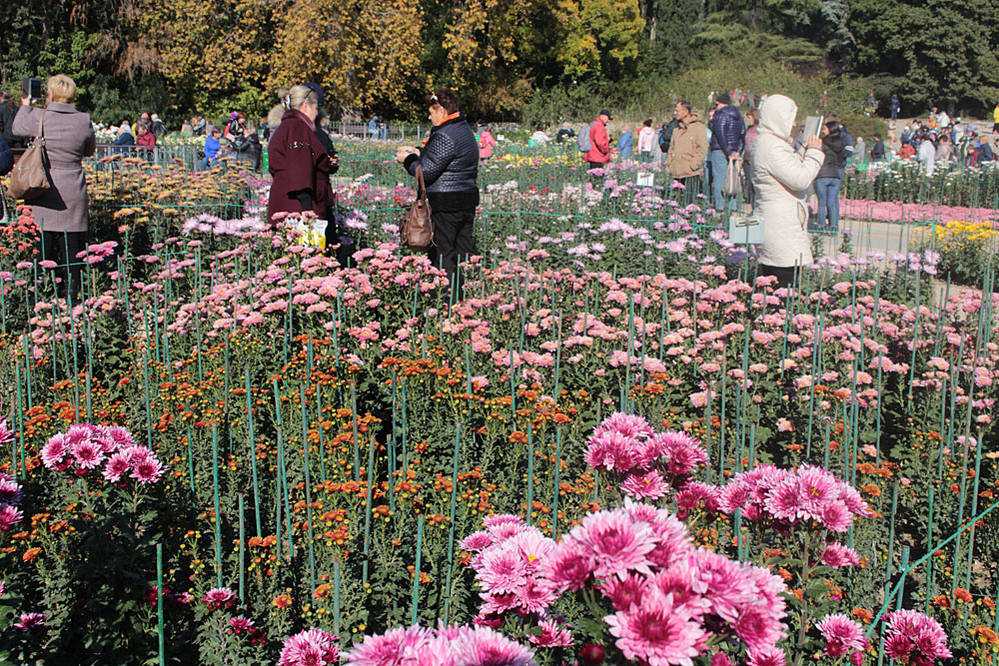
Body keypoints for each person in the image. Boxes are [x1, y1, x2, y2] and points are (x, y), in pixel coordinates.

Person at [12, 74, 95, 300]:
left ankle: (44, 296)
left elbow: (17, 127)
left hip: (44, 186)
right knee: (73, 248)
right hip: (73, 188)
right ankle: (72, 297)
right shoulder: (83, 119)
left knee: (44, 246)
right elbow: (89, 150)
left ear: (50, 94)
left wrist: (27, 104)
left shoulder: (41, 116)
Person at [395, 88, 479, 283]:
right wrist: (419, 152)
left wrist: (408, 160)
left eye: (431, 111)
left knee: (443, 255)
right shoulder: (463, 128)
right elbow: (444, 159)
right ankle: (464, 296)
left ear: (441, 110)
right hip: (465, 200)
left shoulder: (445, 134)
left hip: (445, 205)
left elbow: (426, 171)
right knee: (462, 254)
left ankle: (446, 300)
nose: (429, 115)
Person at [750, 94, 824, 288]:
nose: (792, 125)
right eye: (789, 119)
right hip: (780, 225)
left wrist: (802, 151)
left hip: (775, 221)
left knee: (772, 281)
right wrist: (815, 152)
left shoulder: (767, 142)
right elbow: (800, 179)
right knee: (783, 284)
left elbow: (787, 170)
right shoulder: (772, 146)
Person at [267, 85, 335, 224]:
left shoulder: (288, 126)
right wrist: (306, 206)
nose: (317, 113)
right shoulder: (298, 128)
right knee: (303, 245)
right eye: (316, 108)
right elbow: (299, 168)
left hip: (290, 203)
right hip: (298, 208)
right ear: (306, 105)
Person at [665, 100, 708, 204]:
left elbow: (702, 149)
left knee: (689, 205)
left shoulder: (699, 127)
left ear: (685, 111)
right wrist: (669, 164)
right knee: (676, 205)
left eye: (677, 110)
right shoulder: (676, 129)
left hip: (690, 173)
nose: (675, 113)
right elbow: (671, 148)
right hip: (676, 172)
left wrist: (693, 165)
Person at [708, 93, 745, 211]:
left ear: (720, 103)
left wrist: (727, 151)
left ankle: (720, 207)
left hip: (720, 150)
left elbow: (720, 133)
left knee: (720, 178)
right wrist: (738, 150)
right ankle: (733, 206)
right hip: (734, 151)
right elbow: (743, 133)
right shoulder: (738, 115)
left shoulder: (720, 115)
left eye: (716, 103)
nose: (716, 105)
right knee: (732, 178)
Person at [815, 121, 847, 231]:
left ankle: (821, 226)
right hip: (836, 175)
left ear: (830, 129)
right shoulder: (842, 143)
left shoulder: (822, 142)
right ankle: (833, 227)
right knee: (832, 203)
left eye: (824, 128)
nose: (823, 131)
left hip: (823, 174)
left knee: (822, 203)